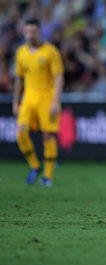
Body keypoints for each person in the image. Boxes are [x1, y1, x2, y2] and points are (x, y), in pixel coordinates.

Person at [13, 18, 64, 186]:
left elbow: (58, 76)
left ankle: (48, 176)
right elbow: (19, 79)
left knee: (47, 135)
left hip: (47, 98)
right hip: (28, 98)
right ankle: (35, 165)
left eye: (33, 31)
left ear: (39, 32)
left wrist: (56, 100)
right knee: (20, 133)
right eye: (27, 32)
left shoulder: (50, 52)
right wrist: (15, 101)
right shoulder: (21, 53)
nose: (30, 35)